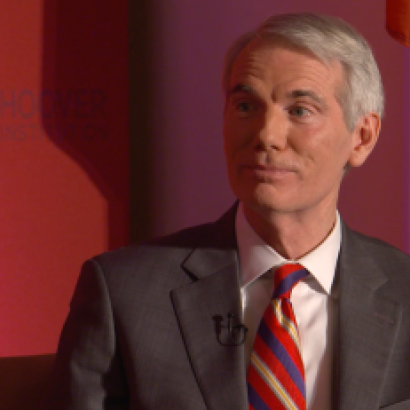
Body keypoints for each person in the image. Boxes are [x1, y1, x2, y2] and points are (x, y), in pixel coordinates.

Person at [46, 13, 410, 410]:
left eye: (300, 110)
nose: (266, 136)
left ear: (362, 137)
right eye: (245, 106)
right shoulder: (123, 295)